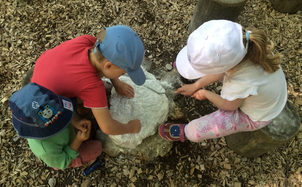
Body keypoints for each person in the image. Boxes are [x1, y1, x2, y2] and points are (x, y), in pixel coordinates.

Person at [159, 20, 287, 142]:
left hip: (259, 115)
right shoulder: (243, 45)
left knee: (215, 124)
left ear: (227, 68)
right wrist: (196, 85)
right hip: (268, 94)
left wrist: (206, 94)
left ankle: (188, 132)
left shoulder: (239, 83)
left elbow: (229, 106)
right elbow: (220, 70)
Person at [31, 25, 146, 136]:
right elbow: (107, 127)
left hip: (42, 71)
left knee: (80, 87)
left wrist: (117, 83)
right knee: (92, 98)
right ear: (109, 66)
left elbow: (106, 62)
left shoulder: (89, 42)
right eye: (122, 73)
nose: (122, 75)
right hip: (45, 103)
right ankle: (80, 113)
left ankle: (82, 107)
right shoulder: (93, 87)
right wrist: (131, 128)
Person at [9, 82, 102, 169]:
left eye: (60, 118)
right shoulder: (46, 150)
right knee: (98, 147)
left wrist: (75, 122)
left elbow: (62, 112)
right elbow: (64, 162)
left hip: (67, 136)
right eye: (57, 123)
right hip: (65, 155)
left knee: (88, 133)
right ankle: (83, 161)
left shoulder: (37, 124)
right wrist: (78, 140)